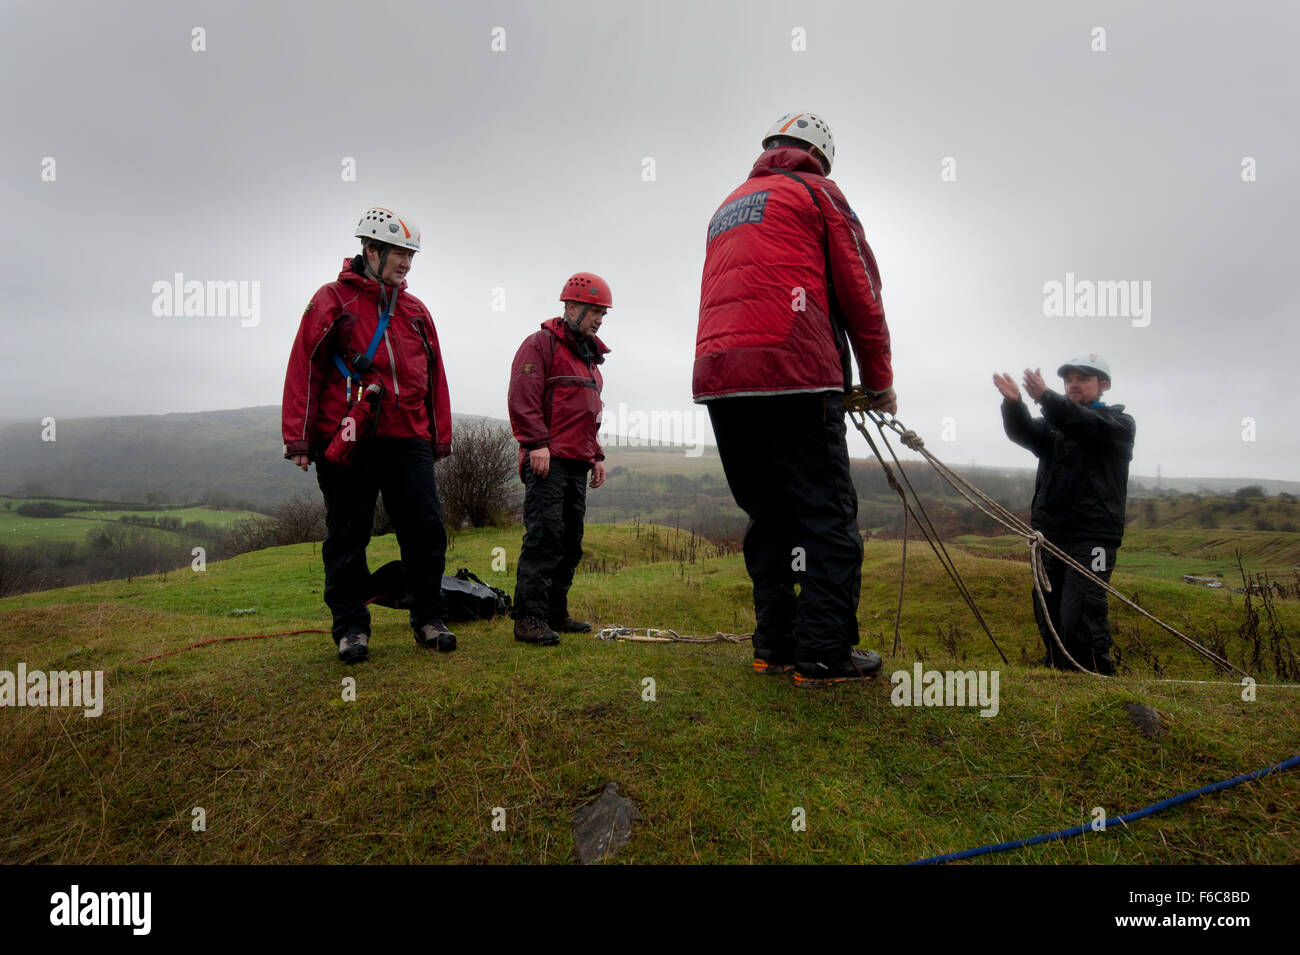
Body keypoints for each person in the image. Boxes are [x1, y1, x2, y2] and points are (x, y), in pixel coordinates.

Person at [694, 112, 896, 688]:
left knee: (769, 514)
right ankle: (824, 654)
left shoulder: (726, 206)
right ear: (819, 156)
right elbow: (861, 292)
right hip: (796, 374)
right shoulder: (818, 192)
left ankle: (774, 647)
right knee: (827, 517)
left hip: (722, 378)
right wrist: (879, 383)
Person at [282, 206, 456, 664]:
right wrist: (298, 439)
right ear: (371, 249)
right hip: (349, 439)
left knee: (425, 531)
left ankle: (428, 618)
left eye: (411, 255)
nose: (406, 263)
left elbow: (435, 377)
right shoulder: (331, 301)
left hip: (408, 439)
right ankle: (352, 629)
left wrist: (439, 439)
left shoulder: (416, 311)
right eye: (399, 253)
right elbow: (306, 367)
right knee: (347, 536)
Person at [993, 355, 1136, 675]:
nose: (1073, 383)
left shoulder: (1118, 426)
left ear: (1104, 386)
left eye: (1083, 378)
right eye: (1068, 379)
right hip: (1051, 535)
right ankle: (1058, 671)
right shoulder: (1054, 427)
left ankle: (1095, 676)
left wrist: (1046, 398)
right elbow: (1025, 432)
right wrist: (1015, 404)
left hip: (1094, 540)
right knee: (1049, 609)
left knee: (1083, 610)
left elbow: (1084, 425)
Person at [507, 273, 611, 646]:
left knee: (571, 540)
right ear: (571, 307)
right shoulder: (541, 345)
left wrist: (596, 454)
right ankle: (528, 618)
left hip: (578, 461)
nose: (599, 319)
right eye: (594, 311)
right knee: (544, 536)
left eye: (603, 313)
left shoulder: (590, 359)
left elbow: (590, 414)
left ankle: (554, 612)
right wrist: (536, 443)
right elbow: (523, 396)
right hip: (547, 459)